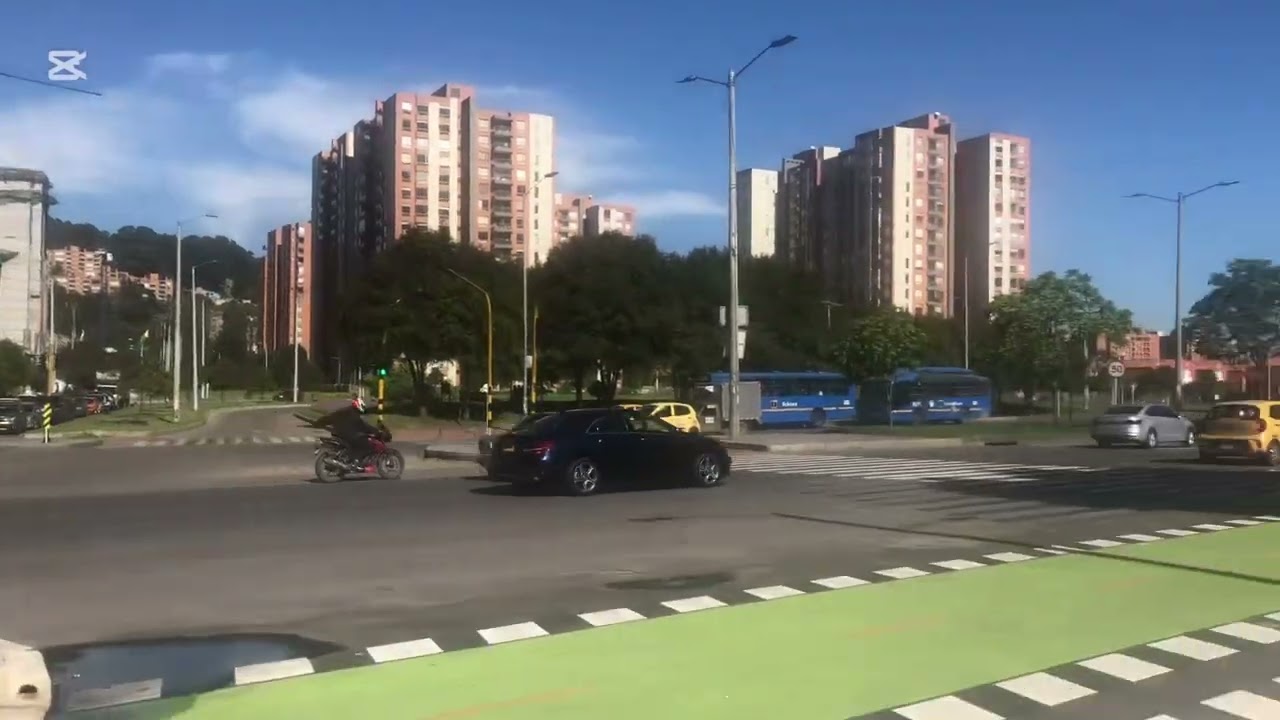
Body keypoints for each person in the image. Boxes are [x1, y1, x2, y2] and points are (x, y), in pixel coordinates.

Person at [315, 395, 380, 462]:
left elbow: (329, 417)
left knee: (355, 444)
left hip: (338, 434)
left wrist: (319, 422)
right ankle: (356, 461)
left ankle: (350, 459)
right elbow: (364, 426)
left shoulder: (344, 411)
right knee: (367, 446)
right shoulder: (354, 415)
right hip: (348, 435)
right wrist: (375, 431)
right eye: (362, 406)